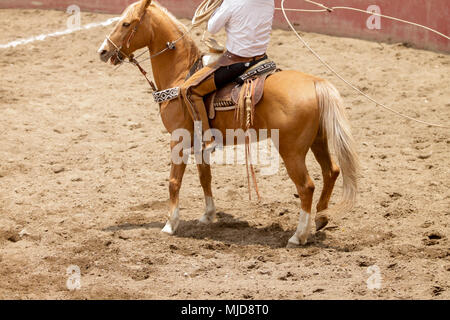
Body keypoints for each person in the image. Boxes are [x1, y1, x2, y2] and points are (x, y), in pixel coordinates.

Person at [180, 0, 275, 152]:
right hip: (261, 58)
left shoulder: (231, 3)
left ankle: (208, 141)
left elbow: (212, 27)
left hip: (236, 62)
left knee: (190, 90)